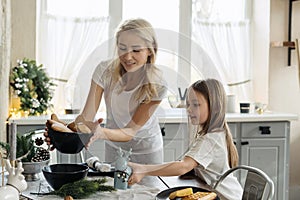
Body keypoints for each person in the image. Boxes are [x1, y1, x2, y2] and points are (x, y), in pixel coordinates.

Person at [45, 18, 167, 165]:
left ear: (150, 49)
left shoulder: (157, 84)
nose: (128, 57)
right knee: (113, 187)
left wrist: (101, 132)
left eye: (136, 50)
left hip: (146, 151)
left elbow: (130, 131)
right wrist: (61, 135)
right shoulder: (105, 71)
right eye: (122, 48)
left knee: (148, 189)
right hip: (114, 146)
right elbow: (86, 118)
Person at [127, 79, 243, 200]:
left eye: (196, 104)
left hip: (226, 197)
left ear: (215, 107)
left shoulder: (210, 140)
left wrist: (143, 169)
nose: (189, 109)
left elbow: (183, 167)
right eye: (188, 104)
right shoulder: (215, 133)